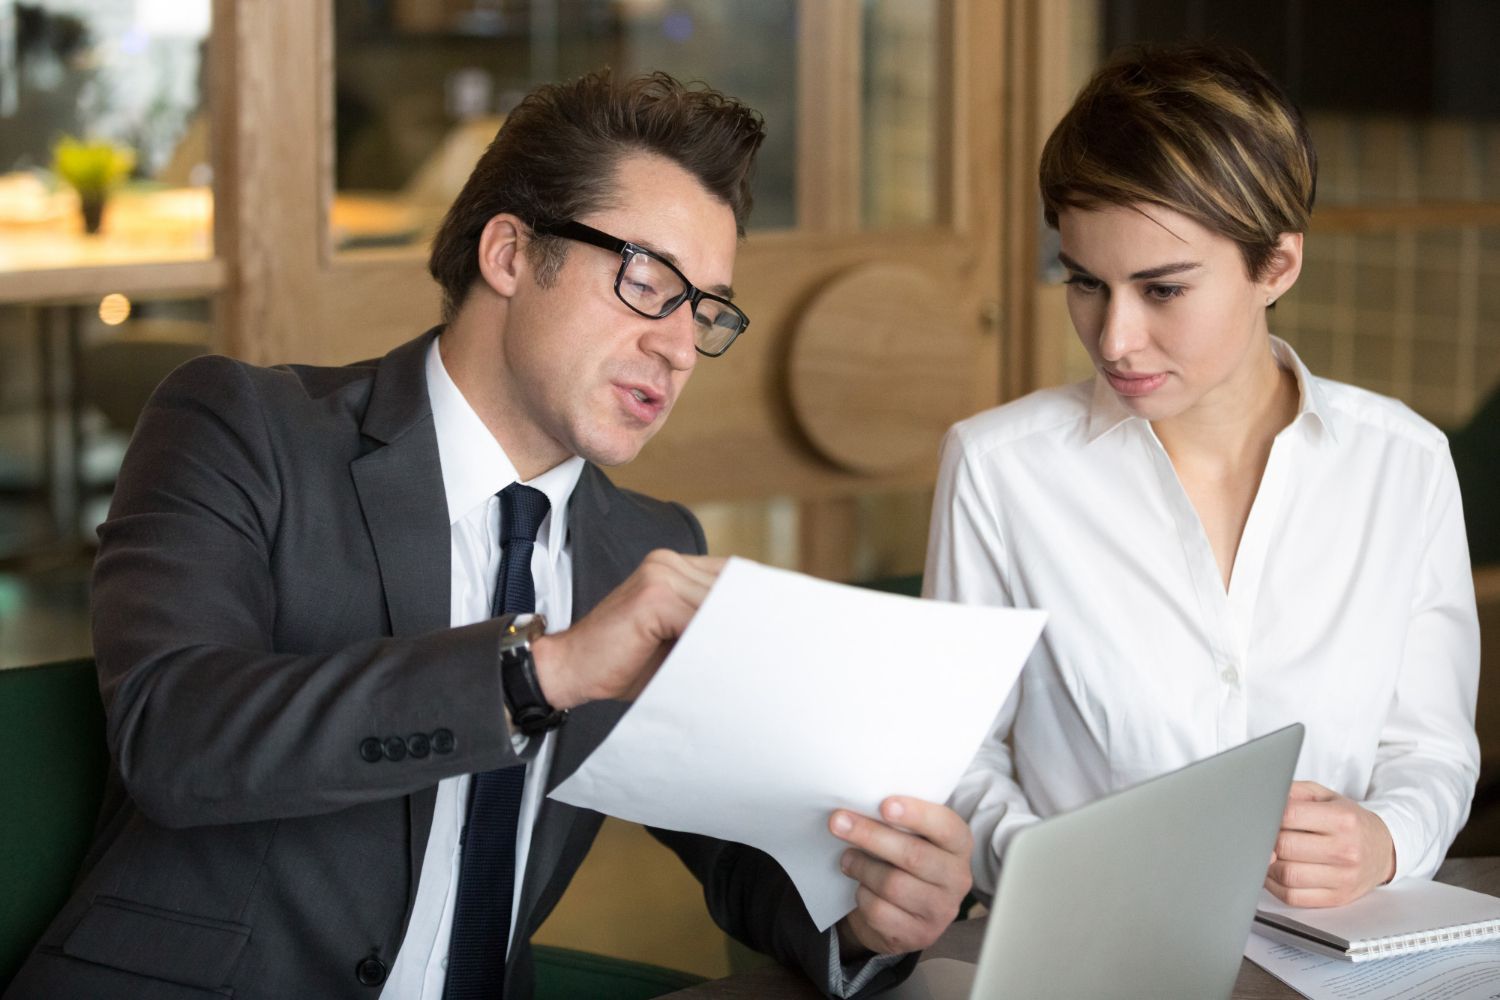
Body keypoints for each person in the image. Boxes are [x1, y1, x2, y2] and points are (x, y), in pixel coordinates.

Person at [7, 70, 972, 1000]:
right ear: (509, 253)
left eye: (705, 308)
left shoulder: (643, 550)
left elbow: (744, 852)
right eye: (648, 281)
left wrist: (869, 918)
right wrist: (536, 672)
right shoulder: (244, 428)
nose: (680, 347)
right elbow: (176, 737)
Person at [926, 45, 1478, 910]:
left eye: (1163, 290)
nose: (1113, 338)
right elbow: (955, 757)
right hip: (1089, 956)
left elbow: (1432, 751)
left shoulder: (1403, 465)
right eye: (1084, 283)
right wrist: (1056, 866)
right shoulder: (1000, 470)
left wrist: (1384, 839)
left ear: (1276, 267)